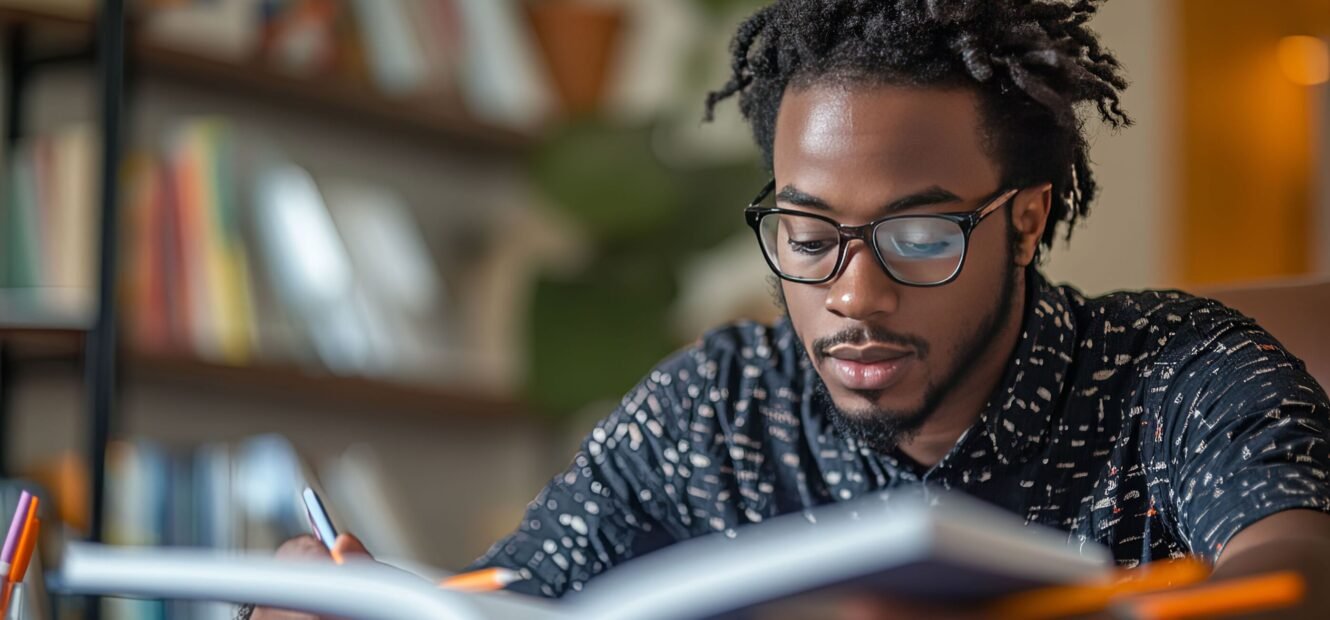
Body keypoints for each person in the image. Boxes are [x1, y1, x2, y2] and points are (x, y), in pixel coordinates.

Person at [254, 0, 1330, 617]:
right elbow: (519, 587)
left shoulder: (1180, 369)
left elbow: (1295, 568)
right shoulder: (715, 406)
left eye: (920, 236)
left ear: (1026, 217)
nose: (853, 296)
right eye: (809, 238)